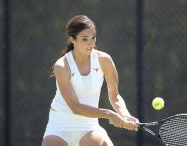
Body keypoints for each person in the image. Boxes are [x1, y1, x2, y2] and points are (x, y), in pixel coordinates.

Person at [42, 15, 139, 146]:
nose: (91, 43)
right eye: (85, 39)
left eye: (93, 38)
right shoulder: (62, 66)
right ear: (73, 39)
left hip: (89, 128)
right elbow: (75, 107)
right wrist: (109, 114)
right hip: (59, 127)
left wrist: (125, 115)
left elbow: (114, 96)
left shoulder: (104, 60)